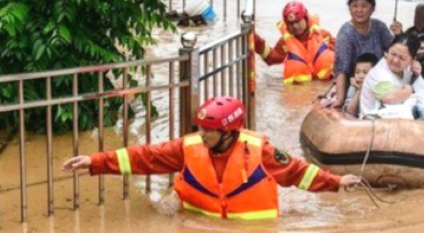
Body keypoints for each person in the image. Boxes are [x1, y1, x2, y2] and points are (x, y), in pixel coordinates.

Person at [62, 97, 361, 220]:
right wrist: (96, 161)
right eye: (201, 129)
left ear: (229, 132)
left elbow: (297, 173)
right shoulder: (189, 146)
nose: (202, 135)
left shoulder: (261, 151)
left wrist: (336, 182)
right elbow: (146, 157)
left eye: (209, 131)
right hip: (194, 217)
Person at [322, 0, 394, 109]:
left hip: (378, 81)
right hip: (355, 84)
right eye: (355, 6)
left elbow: (394, 52)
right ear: (349, 8)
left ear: (372, 8)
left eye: (364, 6)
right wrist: (340, 98)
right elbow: (341, 69)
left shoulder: (379, 27)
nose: (359, 10)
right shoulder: (346, 33)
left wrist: (399, 34)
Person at [253, 1, 336, 85]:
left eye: (298, 21)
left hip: (325, 83)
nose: (295, 26)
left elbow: (340, 52)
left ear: (306, 18)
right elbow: (271, 58)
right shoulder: (285, 43)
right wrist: (255, 40)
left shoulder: (322, 35)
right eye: (291, 24)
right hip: (302, 88)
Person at [359, 32, 421, 119]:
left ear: (412, 60)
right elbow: (389, 99)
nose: (395, 60)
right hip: (372, 125)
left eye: (402, 58)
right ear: (387, 51)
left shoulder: (409, 69)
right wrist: (411, 89)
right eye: (393, 54)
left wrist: (418, 74)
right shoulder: (379, 73)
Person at [343, 53, 379, 117]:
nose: (361, 76)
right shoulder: (353, 88)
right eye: (357, 72)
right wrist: (359, 91)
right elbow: (349, 111)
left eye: (365, 72)